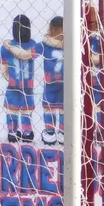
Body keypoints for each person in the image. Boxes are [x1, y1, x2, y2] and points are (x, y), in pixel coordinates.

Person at [0, 14, 42, 143]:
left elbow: (3, 67)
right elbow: (34, 55)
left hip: (13, 84)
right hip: (27, 85)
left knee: (11, 109)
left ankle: (12, 132)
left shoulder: (6, 47)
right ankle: (27, 132)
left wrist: (9, 78)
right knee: (26, 111)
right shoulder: (33, 44)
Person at [40, 16, 64, 146]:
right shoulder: (71, 44)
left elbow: (30, 53)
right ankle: (63, 133)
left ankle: (50, 133)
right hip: (65, 83)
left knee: (49, 108)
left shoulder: (45, 44)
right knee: (64, 108)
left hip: (50, 83)